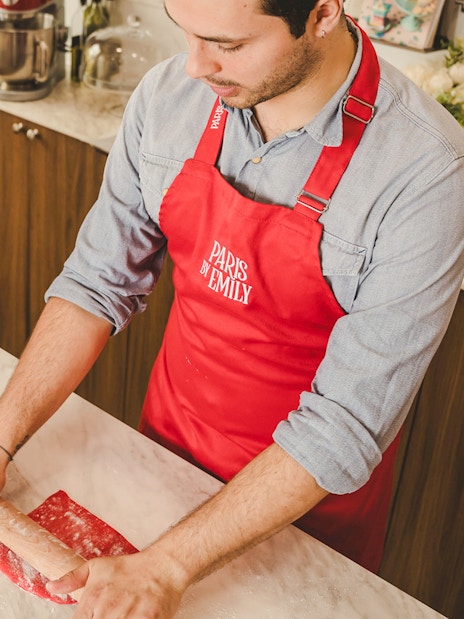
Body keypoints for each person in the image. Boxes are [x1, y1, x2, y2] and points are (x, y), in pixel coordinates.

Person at [1, 0, 463, 616]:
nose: (194, 66)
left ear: (323, 12)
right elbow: (97, 282)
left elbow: (343, 426)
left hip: (302, 520)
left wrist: (168, 566)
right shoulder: (170, 98)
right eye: (184, 33)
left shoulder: (426, 174)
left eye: (229, 44)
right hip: (163, 455)